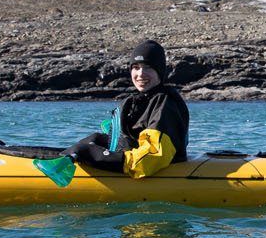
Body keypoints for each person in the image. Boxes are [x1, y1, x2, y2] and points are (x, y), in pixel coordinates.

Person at [61, 39, 189, 178]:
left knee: (83, 149)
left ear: (159, 71)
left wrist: (112, 160)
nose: (140, 74)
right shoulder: (141, 100)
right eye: (136, 67)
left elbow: (154, 154)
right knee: (95, 139)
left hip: (146, 167)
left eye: (148, 67)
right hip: (134, 158)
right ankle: (60, 160)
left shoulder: (165, 103)